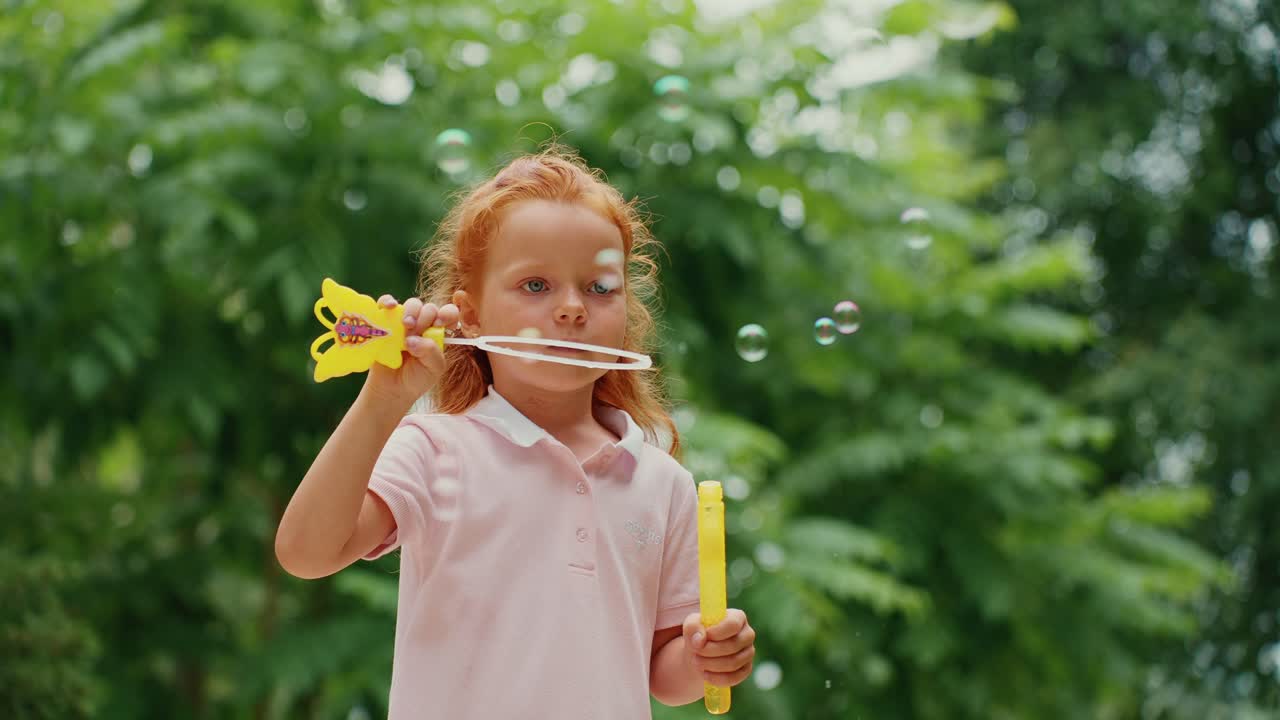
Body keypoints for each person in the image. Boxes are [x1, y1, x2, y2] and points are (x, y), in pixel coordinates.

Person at [275, 146, 757, 719]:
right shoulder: (436, 450)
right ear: (469, 316)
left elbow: (664, 675)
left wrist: (708, 658)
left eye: (601, 288)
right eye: (535, 286)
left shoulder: (663, 483)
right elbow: (306, 554)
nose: (573, 309)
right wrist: (383, 401)